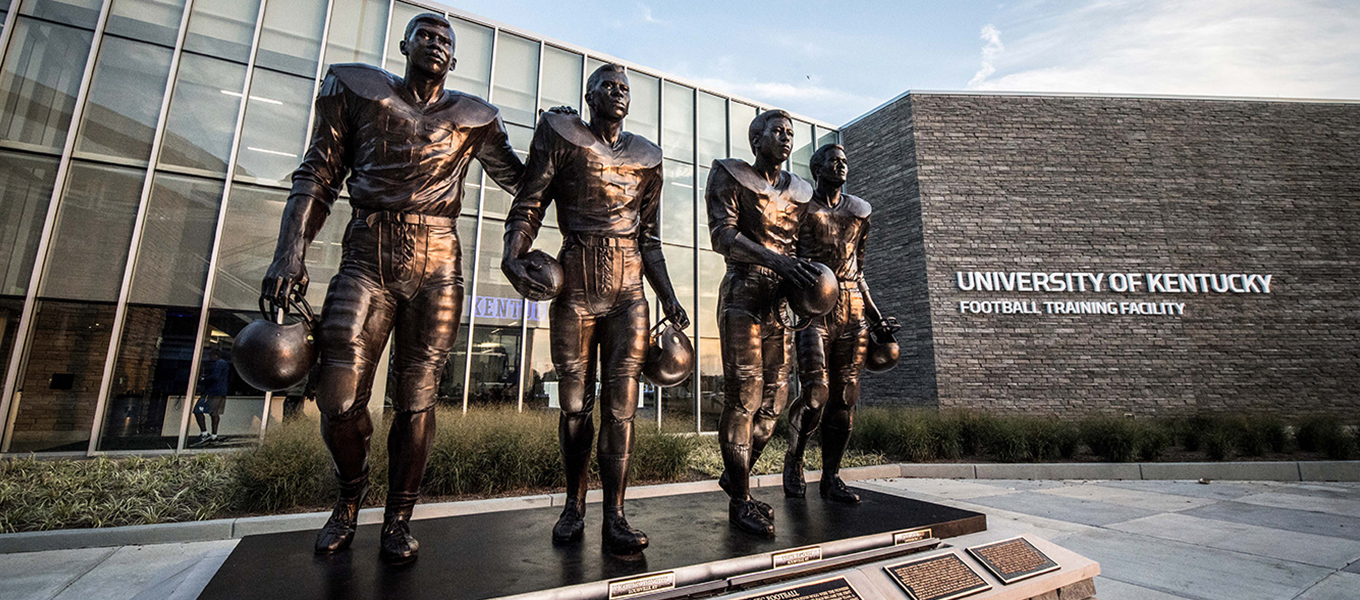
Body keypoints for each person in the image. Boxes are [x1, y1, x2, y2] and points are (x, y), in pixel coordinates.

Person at [261, 12, 524, 564]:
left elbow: (524, 182)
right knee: (337, 395)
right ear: (404, 45)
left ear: (454, 59)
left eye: (445, 41)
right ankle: (349, 498)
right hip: (368, 249)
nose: (435, 43)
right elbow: (318, 173)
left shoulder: (474, 117)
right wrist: (291, 251)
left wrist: (557, 136)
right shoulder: (357, 88)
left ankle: (399, 516)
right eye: (425, 35)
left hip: (438, 256)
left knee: (418, 395)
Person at [502, 64, 689, 555]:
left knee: (622, 407)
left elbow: (649, 238)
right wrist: (512, 254)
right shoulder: (561, 134)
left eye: (626, 88)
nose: (619, 93)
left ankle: (617, 515)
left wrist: (668, 296)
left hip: (629, 286)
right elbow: (529, 203)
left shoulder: (647, 157)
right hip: (576, 277)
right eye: (609, 85)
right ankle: (573, 503)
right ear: (589, 94)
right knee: (574, 403)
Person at [706, 110, 820, 536]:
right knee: (744, 397)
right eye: (777, 131)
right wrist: (778, 262)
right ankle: (741, 499)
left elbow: (807, 249)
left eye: (791, 133)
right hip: (744, 293)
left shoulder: (801, 193)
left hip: (781, 301)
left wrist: (810, 287)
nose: (786, 138)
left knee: (773, 406)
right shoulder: (729, 175)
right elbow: (723, 237)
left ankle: (736, 474)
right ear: (756, 140)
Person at [782, 144, 897, 503]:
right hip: (814, 309)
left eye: (845, 161)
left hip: (853, 309)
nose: (840, 165)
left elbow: (860, 271)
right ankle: (795, 458)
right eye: (833, 160)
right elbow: (788, 259)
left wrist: (877, 319)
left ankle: (831, 477)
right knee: (816, 393)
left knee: (845, 397)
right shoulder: (801, 207)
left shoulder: (860, 211)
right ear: (816, 168)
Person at [192, 348, 230, 446]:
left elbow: (215, 377)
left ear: (216, 355)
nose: (209, 358)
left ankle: (204, 433)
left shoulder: (218, 364)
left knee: (198, 410)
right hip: (221, 391)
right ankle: (214, 435)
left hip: (211, 391)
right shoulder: (225, 364)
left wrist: (204, 379)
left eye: (210, 355)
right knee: (214, 413)